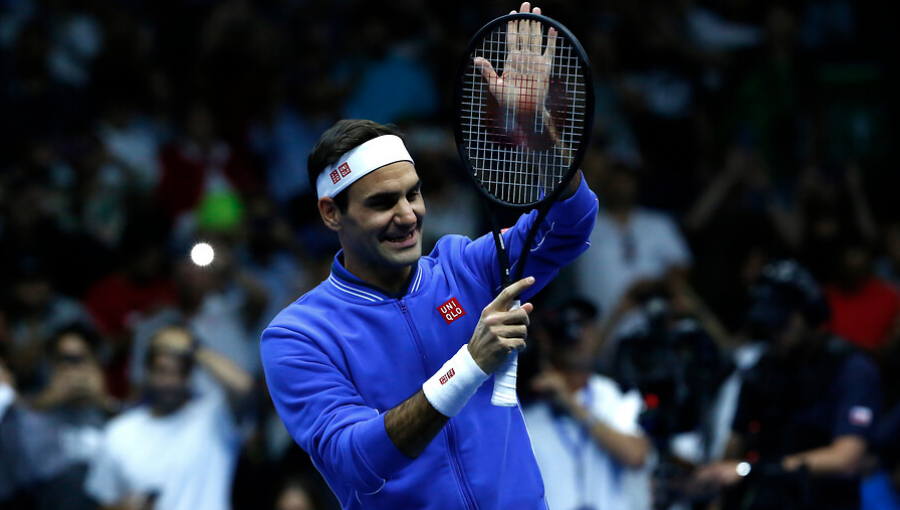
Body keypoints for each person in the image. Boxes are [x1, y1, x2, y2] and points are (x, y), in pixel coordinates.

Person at [260, 4, 599, 509]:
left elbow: (569, 226)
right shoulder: (299, 335)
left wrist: (543, 143)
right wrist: (468, 364)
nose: (408, 215)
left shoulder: (466, 267)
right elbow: (354, 460)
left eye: (412, 194)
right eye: (381, 202)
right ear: (332, 214)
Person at [694, 260, 882, 510]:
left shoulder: (851, 368)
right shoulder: (762, 369)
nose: (775, 335)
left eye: (781, 324)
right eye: (768, 327)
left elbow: (846, 457)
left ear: (810, 315)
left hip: (824, 502)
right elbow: (734, 449)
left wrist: (752, 471)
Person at [84, 325, 253, 510]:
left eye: (178, 373)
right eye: (162, 371)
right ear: (147, 372)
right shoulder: (120, 432)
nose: (170, 381)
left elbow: (244, 386)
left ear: (190, 376)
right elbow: (103, 500)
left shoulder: (213, 417)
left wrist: (195, 348)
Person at [523, 299, 650, 510]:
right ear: (547, 339)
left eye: (585, 325)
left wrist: (574, 407)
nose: (579, 336)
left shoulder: (614, 393)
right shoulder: (525, 404)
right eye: (569, 328)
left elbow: (636, 455)